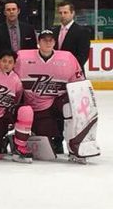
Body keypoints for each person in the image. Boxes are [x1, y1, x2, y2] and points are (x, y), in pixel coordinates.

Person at [15, 30, 84, 158]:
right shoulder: (22, 58)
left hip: (54, 105)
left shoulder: (67, 58)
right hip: (31, 106)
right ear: (38, 42)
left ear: (55, 42)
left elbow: (79, 85)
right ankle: (19, 137)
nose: (48, 42)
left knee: (68, 107)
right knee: (44, 139)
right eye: (44, 40)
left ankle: (73, 146)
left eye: (50, 40)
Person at [52, 2, 91, 73]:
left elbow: (83, 56)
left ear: (72, 13)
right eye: (60, 13)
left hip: (74, 74)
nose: (62, 15)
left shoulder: (82, 32)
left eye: (65, 12)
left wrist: (66, 68)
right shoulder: (54, 31)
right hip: (56, 74)